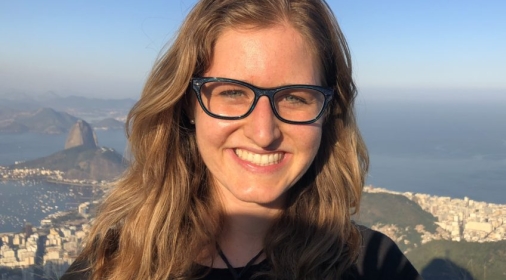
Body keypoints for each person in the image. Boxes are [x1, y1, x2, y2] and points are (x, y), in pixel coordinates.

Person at [61, 0, 423, 279]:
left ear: (327, 112)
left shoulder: (374, 265)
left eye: (295, 97)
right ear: (189, 104)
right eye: (233, 93)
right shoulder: (111, 265)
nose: (263, 133)